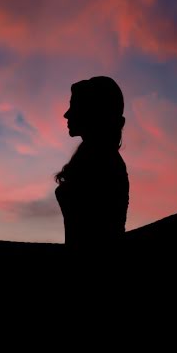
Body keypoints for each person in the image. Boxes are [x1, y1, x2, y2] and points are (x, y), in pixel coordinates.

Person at [55, 76, 129, 245]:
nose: (66, 114)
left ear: (92, 111)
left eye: (74, 106)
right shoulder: (95, 157)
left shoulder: (102, 161)